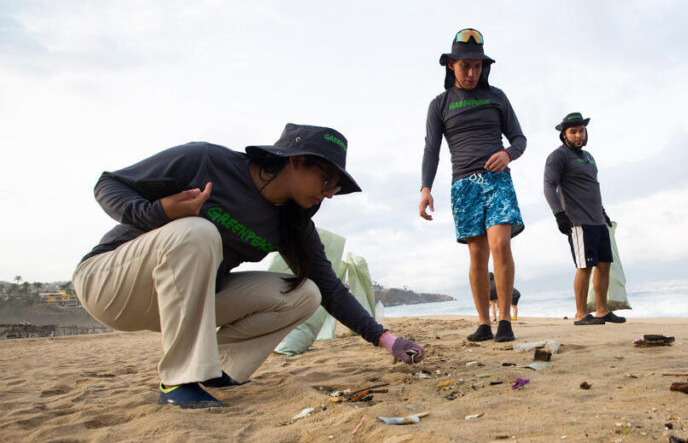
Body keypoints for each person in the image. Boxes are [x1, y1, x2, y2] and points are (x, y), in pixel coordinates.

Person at [73, 124, 425, 409]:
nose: (330, 193)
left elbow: (331, 289)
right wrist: (158, 213)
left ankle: (216, 370)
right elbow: (109, 183)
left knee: (305, 292)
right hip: (110, 282)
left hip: (182, 302)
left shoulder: (292, 220)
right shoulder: (207, 161)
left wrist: (385, 339)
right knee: (198, 232)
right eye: (327, 179)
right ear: (295, 161)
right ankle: (178, 379)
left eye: (336, 186)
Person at [419, 28, 527, 342]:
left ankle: (504, 320)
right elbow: (431, 150)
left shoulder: (496, 97)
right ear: (451, 65)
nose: (471, 72)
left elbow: (519, 139)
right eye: (465, 66)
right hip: (463, 184)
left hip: (497, 181)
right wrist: (425, 188)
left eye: (477, 66)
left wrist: (507, 154)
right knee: (477, 255)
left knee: (500, 245)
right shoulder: (440, 104)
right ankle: (483, 323)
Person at [543, 112, 626, 326]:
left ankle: (602, 310)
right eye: (573, 132)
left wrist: (603, 212)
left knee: (605, 264)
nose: (578, 135)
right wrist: (559, 214)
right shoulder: (558, 156)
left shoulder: (589, 156)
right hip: (578, 221)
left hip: (598, 220)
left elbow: (592, 188)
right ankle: (580, 314)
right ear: (564, 135)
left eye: (581, 131)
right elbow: (548, 187)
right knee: (584, 266)